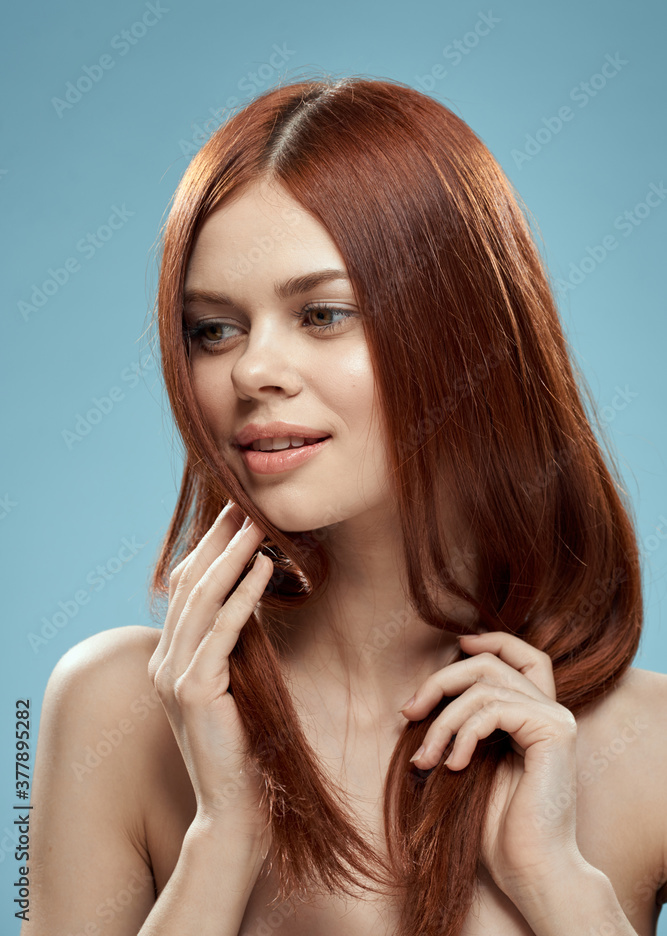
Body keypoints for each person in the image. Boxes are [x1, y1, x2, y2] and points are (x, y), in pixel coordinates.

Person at [24, 75, 667, 936]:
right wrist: (220, 840)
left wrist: (556, 883)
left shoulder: (649, 747)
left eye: (322, 314)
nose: (252, 371)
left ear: (466, 329)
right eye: (213, 329)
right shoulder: (116, 711)